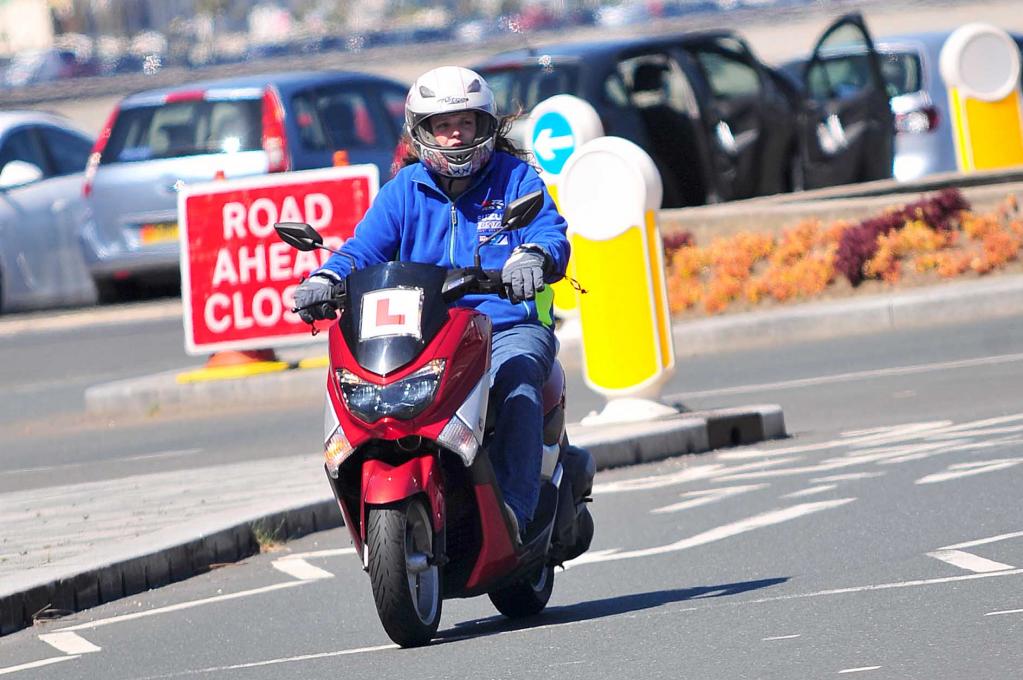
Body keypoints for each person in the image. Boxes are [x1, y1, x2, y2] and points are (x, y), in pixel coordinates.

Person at [293, 66, 570, 543]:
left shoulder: (515, 179)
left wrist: (535, 256)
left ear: (486, 125)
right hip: (430, 329)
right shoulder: (404, 190)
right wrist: (326, 277)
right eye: (442, 125)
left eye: (465, 122)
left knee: (517, 381)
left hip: (506, 325)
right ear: (421, 133)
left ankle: (516, 513)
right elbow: (363, 250)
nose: (455, 134)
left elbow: (549, 230)